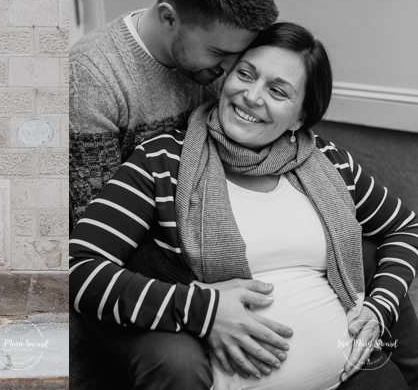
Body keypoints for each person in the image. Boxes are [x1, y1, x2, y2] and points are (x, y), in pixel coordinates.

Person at [69, 23, 418, 389]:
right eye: (245, 74)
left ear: (300, 117)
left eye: (277, 91)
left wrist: (381, 307)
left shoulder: (327, 161)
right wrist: (200, 309)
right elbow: (78, 268)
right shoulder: (164, 162)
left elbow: (404, 227)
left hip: (351, 374)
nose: (251, 96)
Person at [70, 0, 279, 232]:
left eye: (239, 53)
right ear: (169, 18)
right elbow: (97, 226)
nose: (231, 68)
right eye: (218, 51)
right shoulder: (92, 77)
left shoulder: (221, 60)